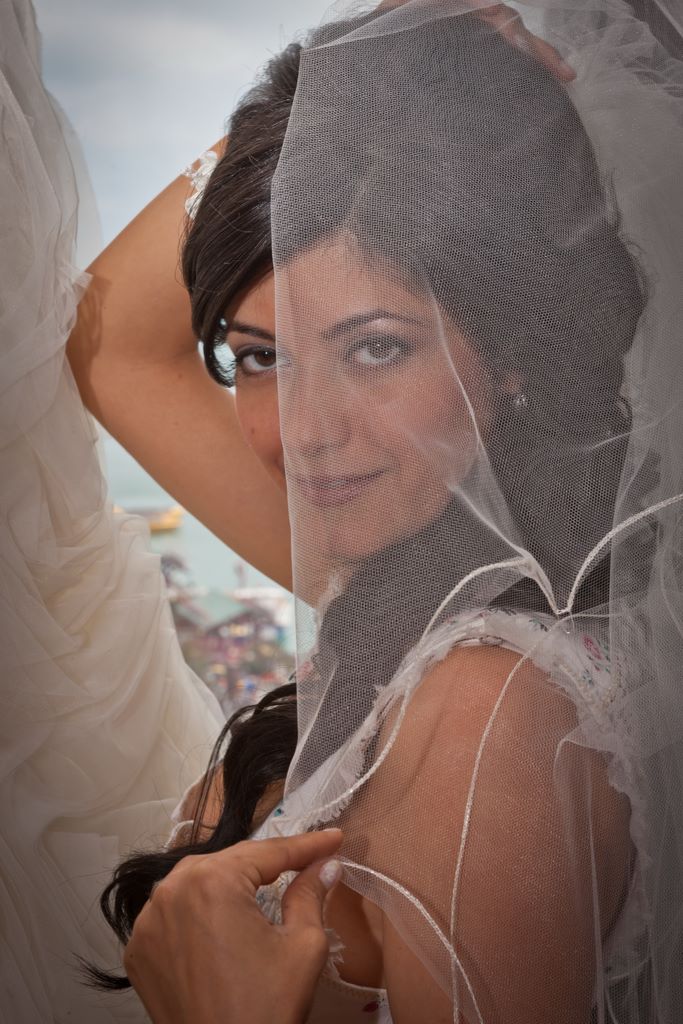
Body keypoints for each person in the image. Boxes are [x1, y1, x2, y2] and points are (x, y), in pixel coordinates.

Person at [88, 2, 683, 1022]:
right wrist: (355, 91)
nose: (304, 432)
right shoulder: (408, 565)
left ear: (512, 353)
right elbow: (112, 343)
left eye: (374, 348)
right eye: (260, 357)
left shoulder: (487, 708)